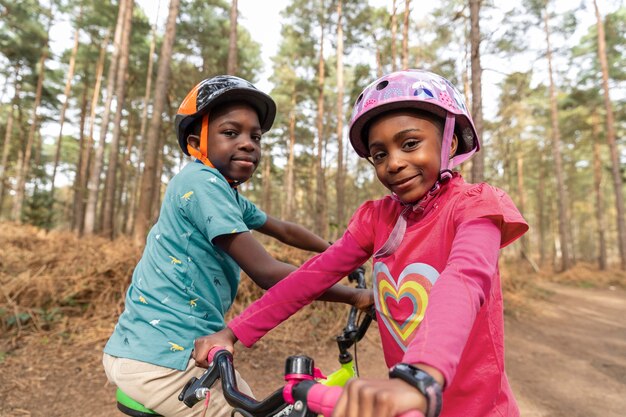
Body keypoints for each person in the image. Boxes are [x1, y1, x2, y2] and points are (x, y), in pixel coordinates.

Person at [195, 70, 529, 417]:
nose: (394, 163)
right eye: (379, 154)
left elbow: (464, 278)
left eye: (410, 143)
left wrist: (419, 375)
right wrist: (233, 333)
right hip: (405, 406)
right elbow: (309, 278)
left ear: (451, 142)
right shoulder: (378, 219)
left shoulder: (475, 206)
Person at [102, 75, 372, 417]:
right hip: (162, 361)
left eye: (255, 136)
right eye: (231, 133)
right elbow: (268, 272)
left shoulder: (225, 194)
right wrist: (356, 296)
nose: (248, 144)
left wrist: (339, 253)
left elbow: (285, 230)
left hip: (153, 349)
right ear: (195, 140)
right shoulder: (201, 183)